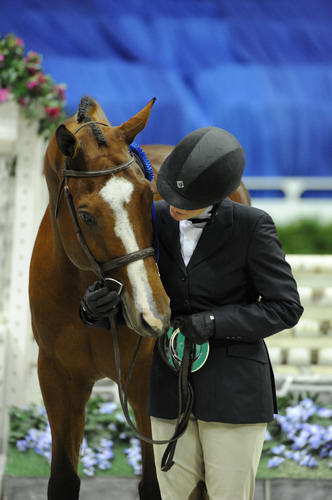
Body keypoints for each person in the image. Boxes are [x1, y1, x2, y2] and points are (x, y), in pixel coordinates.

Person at [80, 127, 303, 500]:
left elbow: (286, 308)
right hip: (168, 389)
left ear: (216, 196)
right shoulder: (154, 221)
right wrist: (94, 309)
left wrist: (214, 323)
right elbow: (142, 300)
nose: (171, 204)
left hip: (233, 391)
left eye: (186, 200)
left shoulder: (252, 226)